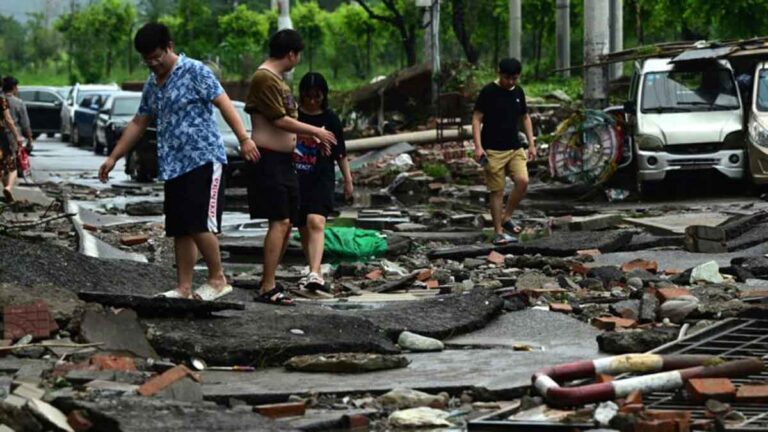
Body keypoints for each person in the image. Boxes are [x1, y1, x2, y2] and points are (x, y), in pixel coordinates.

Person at [98, 23, 255, 301]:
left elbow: (224, 102)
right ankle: (183, 287)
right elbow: (139, 121)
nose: (153, 64)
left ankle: (218, 279)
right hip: (173, 165)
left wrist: (244, 138)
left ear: (169, 46)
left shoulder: (195, 71)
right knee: (180, 227)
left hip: (204, 158)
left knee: (199, 223)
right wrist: (113, 156)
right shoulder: (152, 83)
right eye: (147, 60)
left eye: (157, 57)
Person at [244, 29, 336, 306]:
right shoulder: (264, 78)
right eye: (298, 55)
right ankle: (268, 285)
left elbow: (287, 123)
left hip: (285, 160)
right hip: (269, 158)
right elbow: (280, 120)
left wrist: (307, 138)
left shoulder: (278, 80)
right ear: (291, 54)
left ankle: (269, 281)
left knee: (287, 222)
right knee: (280, 220)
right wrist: (315, 131)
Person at [294, 72, 353, 291]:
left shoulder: (330, 118)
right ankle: (312, 267)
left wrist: (348, 180)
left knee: (316, 221)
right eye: (308, 96)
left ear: (323, 96)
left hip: (322, 177)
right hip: (298, 177)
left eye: (316, 96)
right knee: (302, 226)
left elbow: (341, 153)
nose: (311, 101)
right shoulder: (294, 116)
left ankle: (315, 272)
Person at [472, 58, 536, 245]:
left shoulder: (518, 92)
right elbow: (476, 119)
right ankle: (498, 231)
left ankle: (506, 216)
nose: (511, 82)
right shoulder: (488, 92)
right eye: (507, 78)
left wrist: (531, 143)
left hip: (515, 146)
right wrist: (478, 147)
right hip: (493, 149)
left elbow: (525, 117)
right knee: (497, 191)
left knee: (523, 181)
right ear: (499, 73)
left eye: (514, 78)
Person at [0, 93, 23, 203]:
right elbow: (8, 119)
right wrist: (17, 135)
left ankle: (8, 194)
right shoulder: (1, 100)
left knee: (2, 168)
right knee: (11, 167)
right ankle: (8, 188)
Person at [2, 77, 33, 154]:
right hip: (13, 137)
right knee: (13, 161)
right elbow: (25, 123)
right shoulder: (18, 103)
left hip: (2, 135)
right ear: (13, 87)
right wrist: (29, 139)